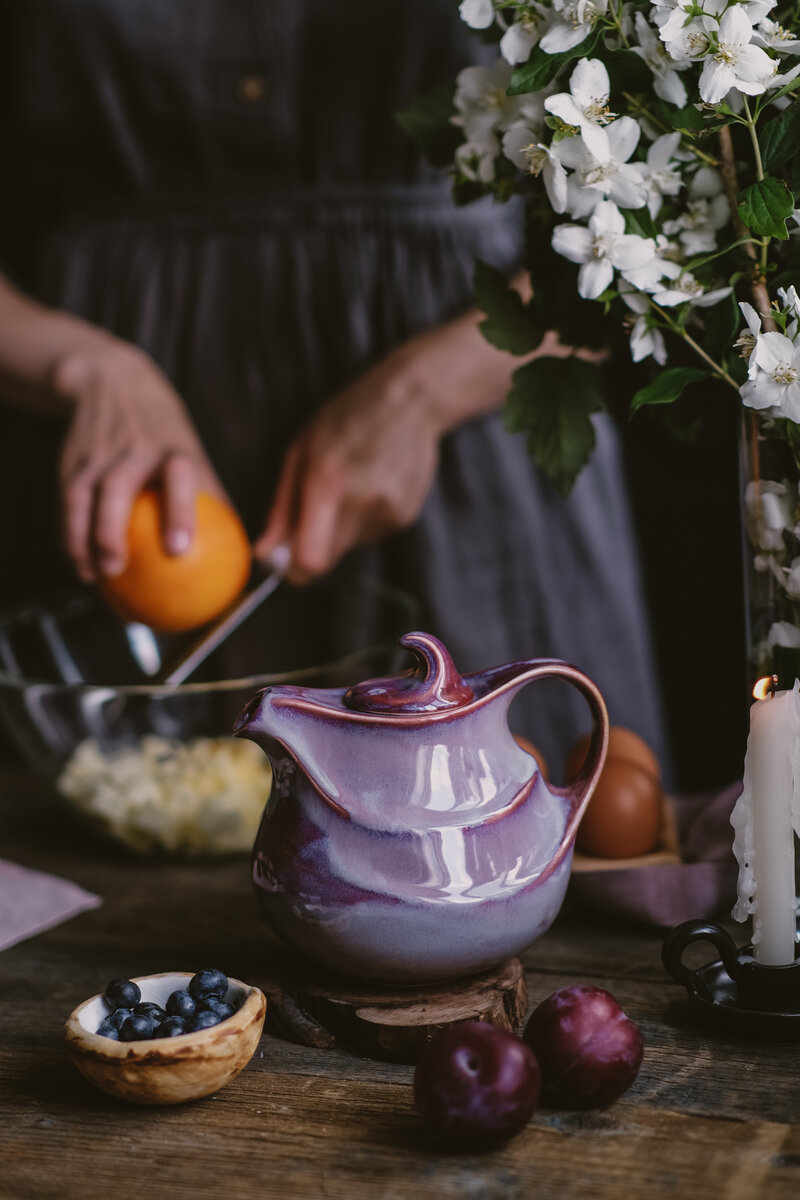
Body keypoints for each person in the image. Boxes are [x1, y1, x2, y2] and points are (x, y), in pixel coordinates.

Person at [0, 1, 670, 779]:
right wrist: (81, 369)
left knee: (517, 827)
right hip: (104, 472)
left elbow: (681, 206)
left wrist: (429, 390)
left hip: (479, 448)